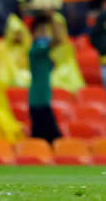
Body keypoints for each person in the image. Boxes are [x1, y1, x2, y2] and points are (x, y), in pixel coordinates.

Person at [28, 15, 63, 144]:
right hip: (38, 100)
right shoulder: (36, 49)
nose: (44, 34)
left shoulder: (44, 54)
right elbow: (58, 40)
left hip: (43, 99)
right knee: (48, 138)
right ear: (33, 34)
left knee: (45, 138)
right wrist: (52, 18)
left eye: (45, 30)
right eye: (40, 31)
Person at [0, 14, 32, 88]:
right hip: (6, 79)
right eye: (16, 33)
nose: (19, 36)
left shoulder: (27, 46)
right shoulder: (1, 47)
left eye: (20, 33)